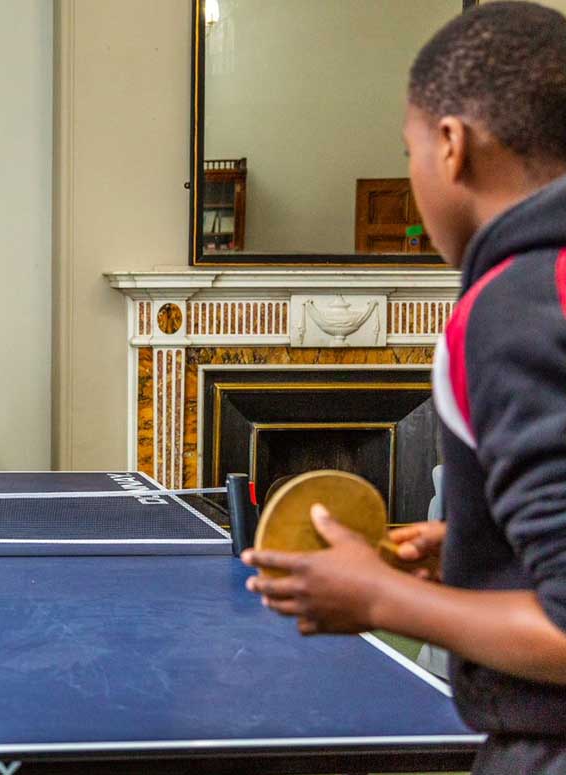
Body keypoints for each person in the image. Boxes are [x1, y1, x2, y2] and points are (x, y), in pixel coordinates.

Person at [242, 3, 566, 772]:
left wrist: (380, 600)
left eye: (409, 150)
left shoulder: (512, 309)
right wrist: (483, 552)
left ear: (451, 146)